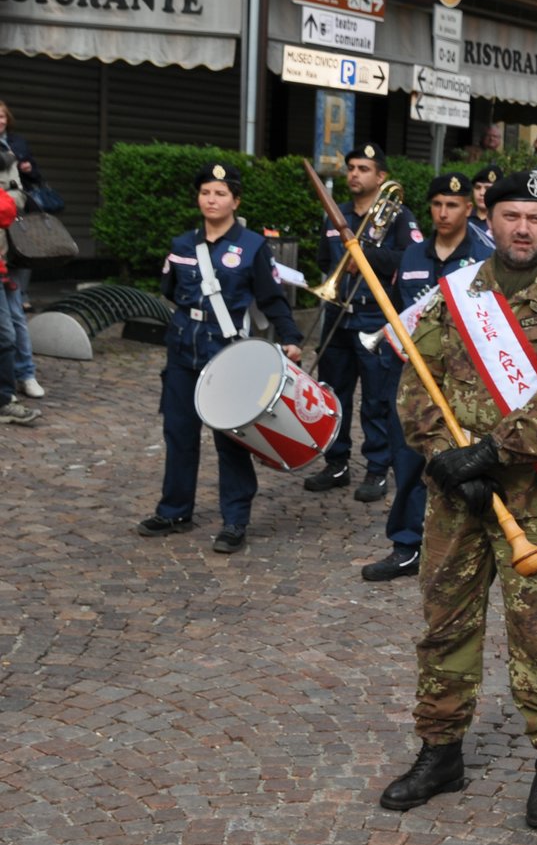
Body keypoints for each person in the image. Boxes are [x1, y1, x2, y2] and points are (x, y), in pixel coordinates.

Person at [379, 169, 537, 829]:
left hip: (532, 497)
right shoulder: (456, 296)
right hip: (455, 495)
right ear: (492, 216)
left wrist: (492, 452)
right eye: (511, 215)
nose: (523, 228)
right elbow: (417, 385)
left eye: (536, 217)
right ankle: (440, 749)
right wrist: (444, 459)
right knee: (446, 624)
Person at [135, 162, 304, 551]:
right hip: (182, 348)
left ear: (235, 201)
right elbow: (170, 289)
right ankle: (174, 509)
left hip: (226, 352)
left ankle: (235, 520)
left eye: (221, 194)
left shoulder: (253, 247)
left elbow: (271, 298)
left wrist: (291, 337)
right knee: (178, 432)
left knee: (231, 437)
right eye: (206, 193)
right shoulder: (181, 245)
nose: (212, 200)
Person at [362, 172, 493, 583]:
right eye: (436, 204)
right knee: (407, 457)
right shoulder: (413, 255)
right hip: (415, 376)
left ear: (468, 209)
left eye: (452, 205)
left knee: (460, 458)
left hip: (465, 378)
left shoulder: (484, 258)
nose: (443, 213)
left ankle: (462, 546)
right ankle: (406, 544)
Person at [305, 143, 423, 501]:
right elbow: (326, 258)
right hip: (337, 314)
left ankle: (376, 468)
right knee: (333, 392)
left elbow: (411, 258)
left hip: (374, 313)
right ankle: (336, 461)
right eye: (351, 167)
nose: (354, 174)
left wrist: (368, 255)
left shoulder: (400, 217)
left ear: (381, 177)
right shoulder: (335, 214)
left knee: (376, 398)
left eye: (364, 168)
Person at [0, 100, 43, 393]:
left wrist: (26, 167)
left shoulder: (15, 144)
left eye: (1, 115)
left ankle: (25, 373)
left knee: (14, 312)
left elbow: (30, 183)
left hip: (15, 241)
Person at [467, 164, 500, 249]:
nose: (481, 193)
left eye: (487, 189)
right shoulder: (464, 218)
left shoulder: (503, 221)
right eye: (477, 187)